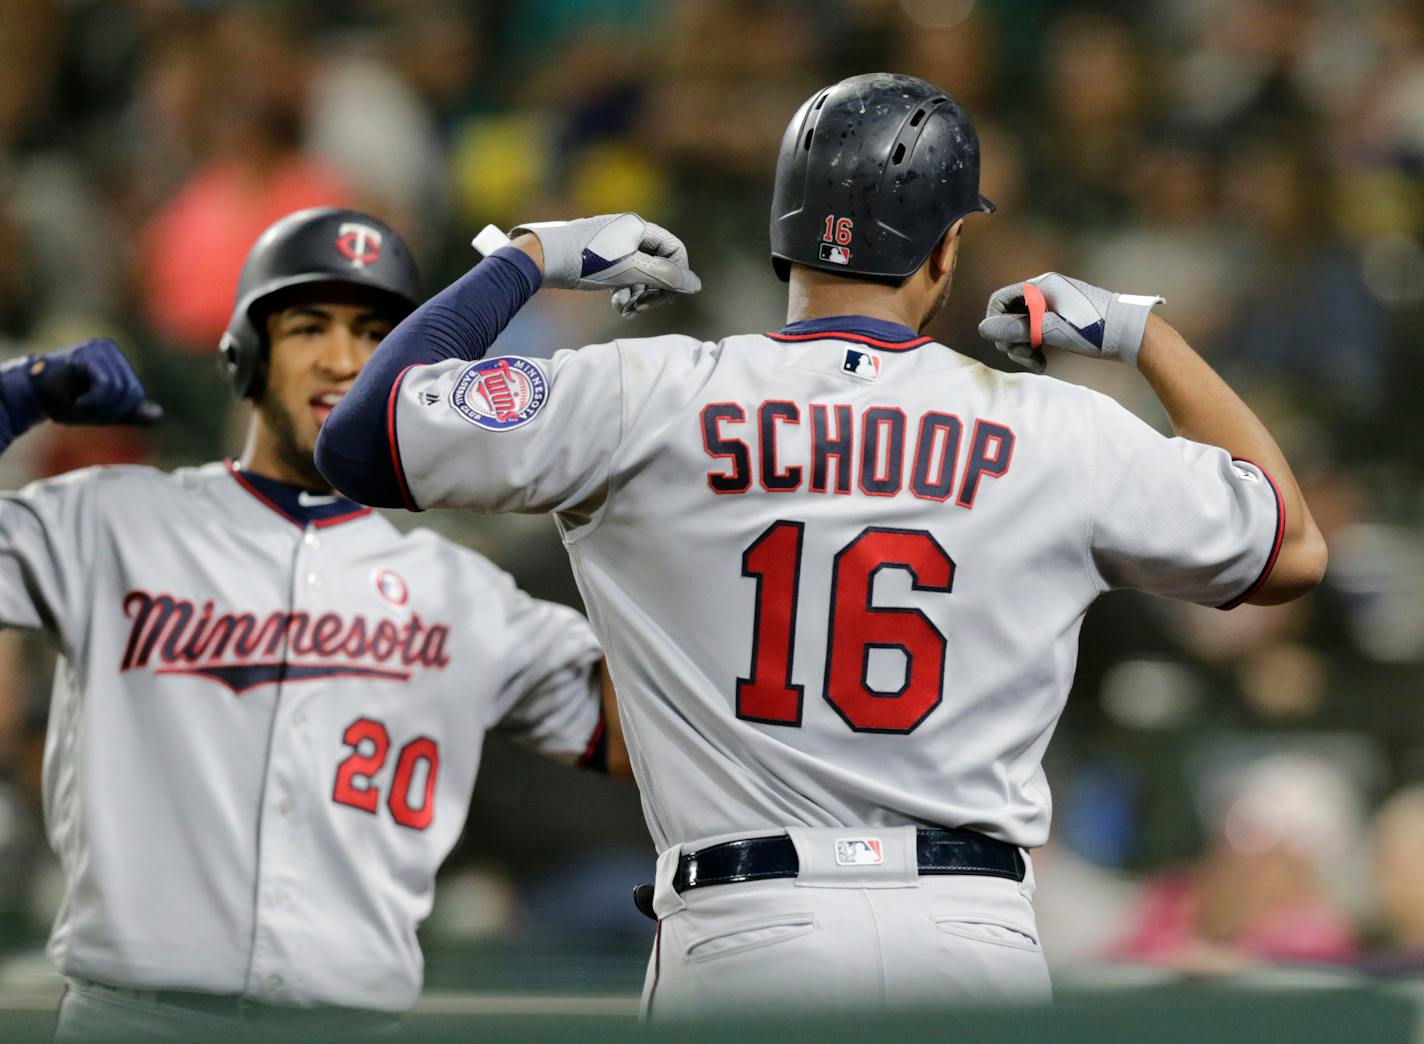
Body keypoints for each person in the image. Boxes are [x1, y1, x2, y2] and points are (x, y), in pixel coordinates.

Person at [316, 73, 1327, 1015]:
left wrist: (526, 257)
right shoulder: (1051, 426)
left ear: (781, 239)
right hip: (967, 935)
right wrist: (1142, 333)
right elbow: (1290, 551)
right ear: (943, 252)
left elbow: (360, 436)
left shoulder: (648, 393)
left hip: (748, 927)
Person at [0, 206, 627, 1040]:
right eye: (308, 327)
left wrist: (641, 524)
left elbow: (648, 735)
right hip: (134, 1019)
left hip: (349, 1027)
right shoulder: (111, 525)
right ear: (247, 356)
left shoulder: (461, 590)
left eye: (375, 335)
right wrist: (16, 397)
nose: (341, 361)